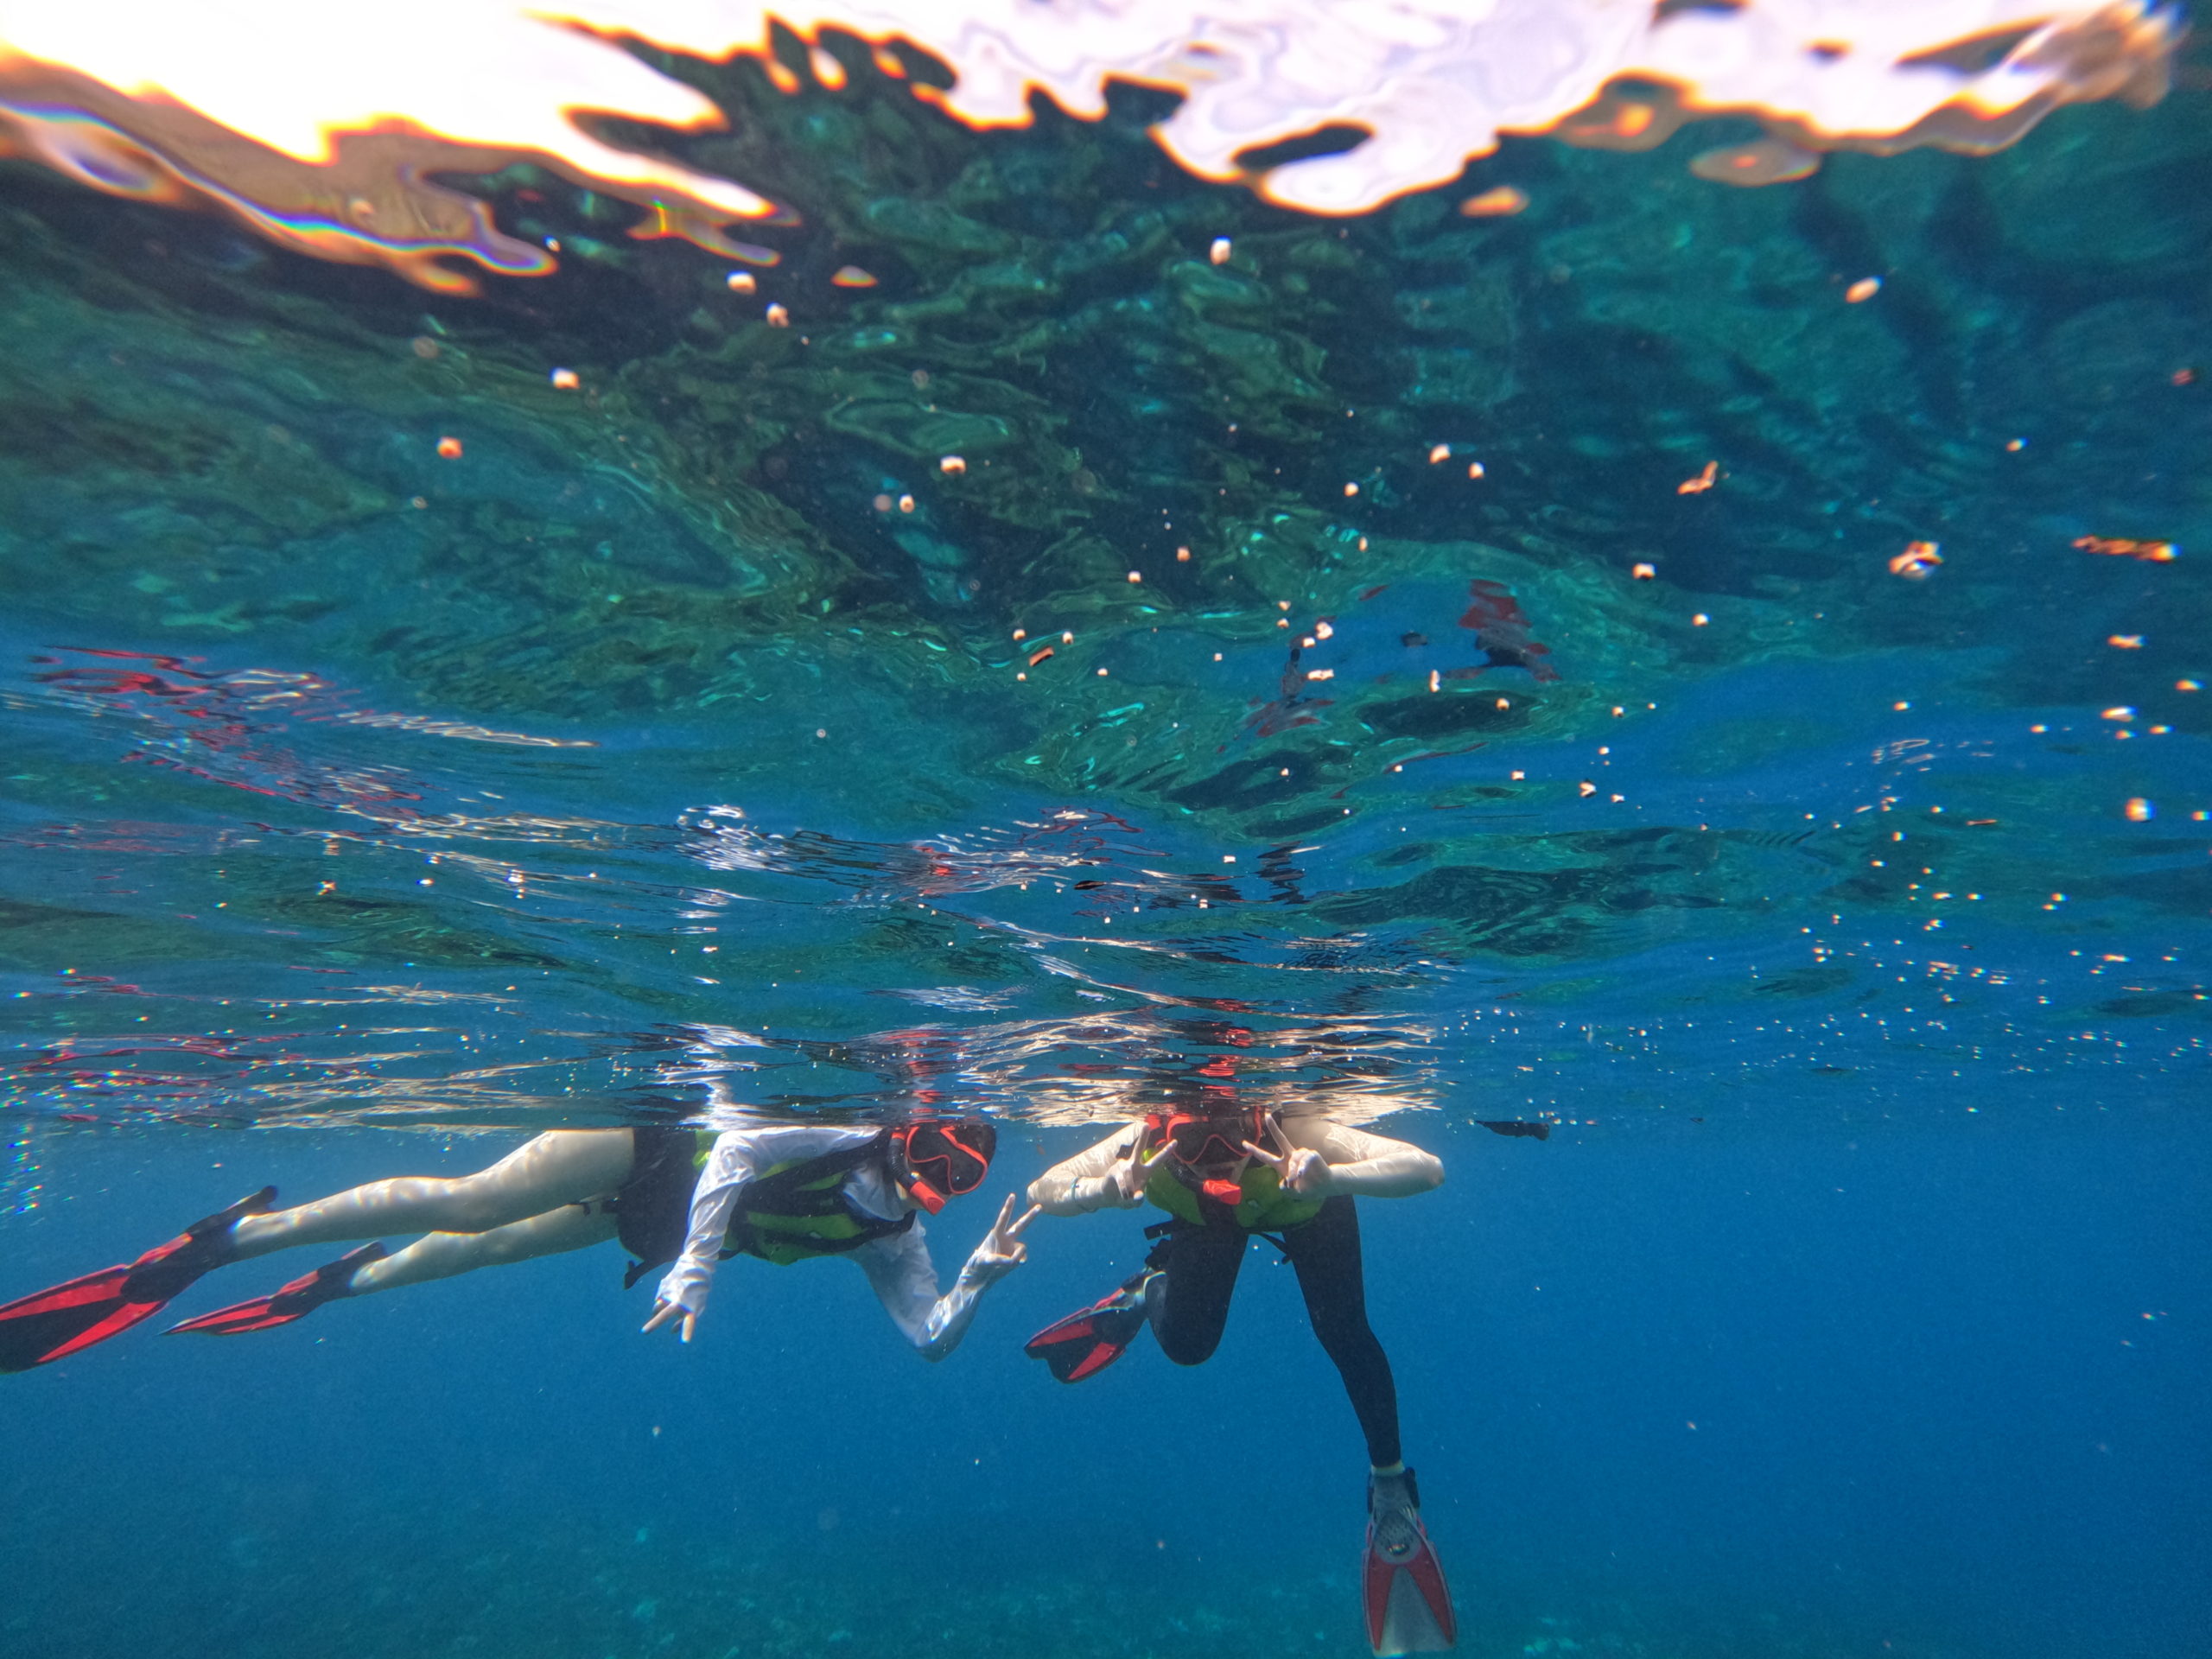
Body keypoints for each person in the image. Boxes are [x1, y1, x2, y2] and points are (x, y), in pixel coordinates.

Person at [0, 1115, 1034, 1369]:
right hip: (655, 1143)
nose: (915, 1185)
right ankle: (234, 1238)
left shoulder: (895, 1238)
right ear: (902, 1129)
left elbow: (928, 1338)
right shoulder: (841, 1126)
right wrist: (695, 1269)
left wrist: (978, 1284)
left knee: (479, 1252)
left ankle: (330, 1285)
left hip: (645, 1220)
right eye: (920, 1157)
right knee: (472, 1205)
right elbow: (733, 1159)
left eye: (942, 1184)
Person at [1024, 1105, 1456, 1656]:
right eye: (1195, 1143)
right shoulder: (1143, 1143)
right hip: (1207, 1220)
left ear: (1255, 1124)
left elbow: (1428, 1168)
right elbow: (1045, 1186)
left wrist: (1334, 1177)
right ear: (1168, 1132)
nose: (1218, 1159)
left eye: (1230, 1139)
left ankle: (1392, 1492)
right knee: (1187, 1347)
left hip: (1304, 1202)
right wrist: (1103, 1189)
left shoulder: (1300, 1132)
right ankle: (1143, 1292)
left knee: (1345, 1334)